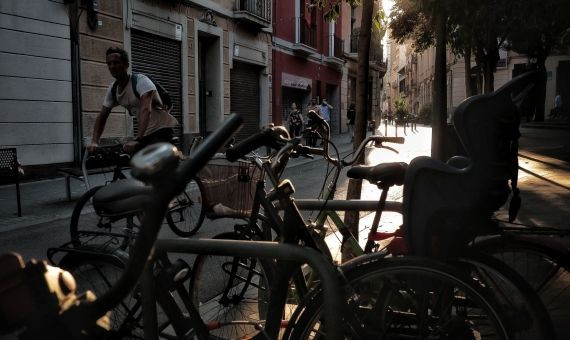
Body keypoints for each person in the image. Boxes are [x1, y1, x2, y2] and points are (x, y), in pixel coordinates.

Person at [88, 47, 178, 154]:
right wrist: (94, 141)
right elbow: (102, 116)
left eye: (116, 62)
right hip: (145, 134)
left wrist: (138, 140)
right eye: (109, 63)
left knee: (152, 167)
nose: (112, 66)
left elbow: (146, 109)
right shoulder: (113, 89)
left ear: (126, 65)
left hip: (162, 131)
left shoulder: (141, 81)